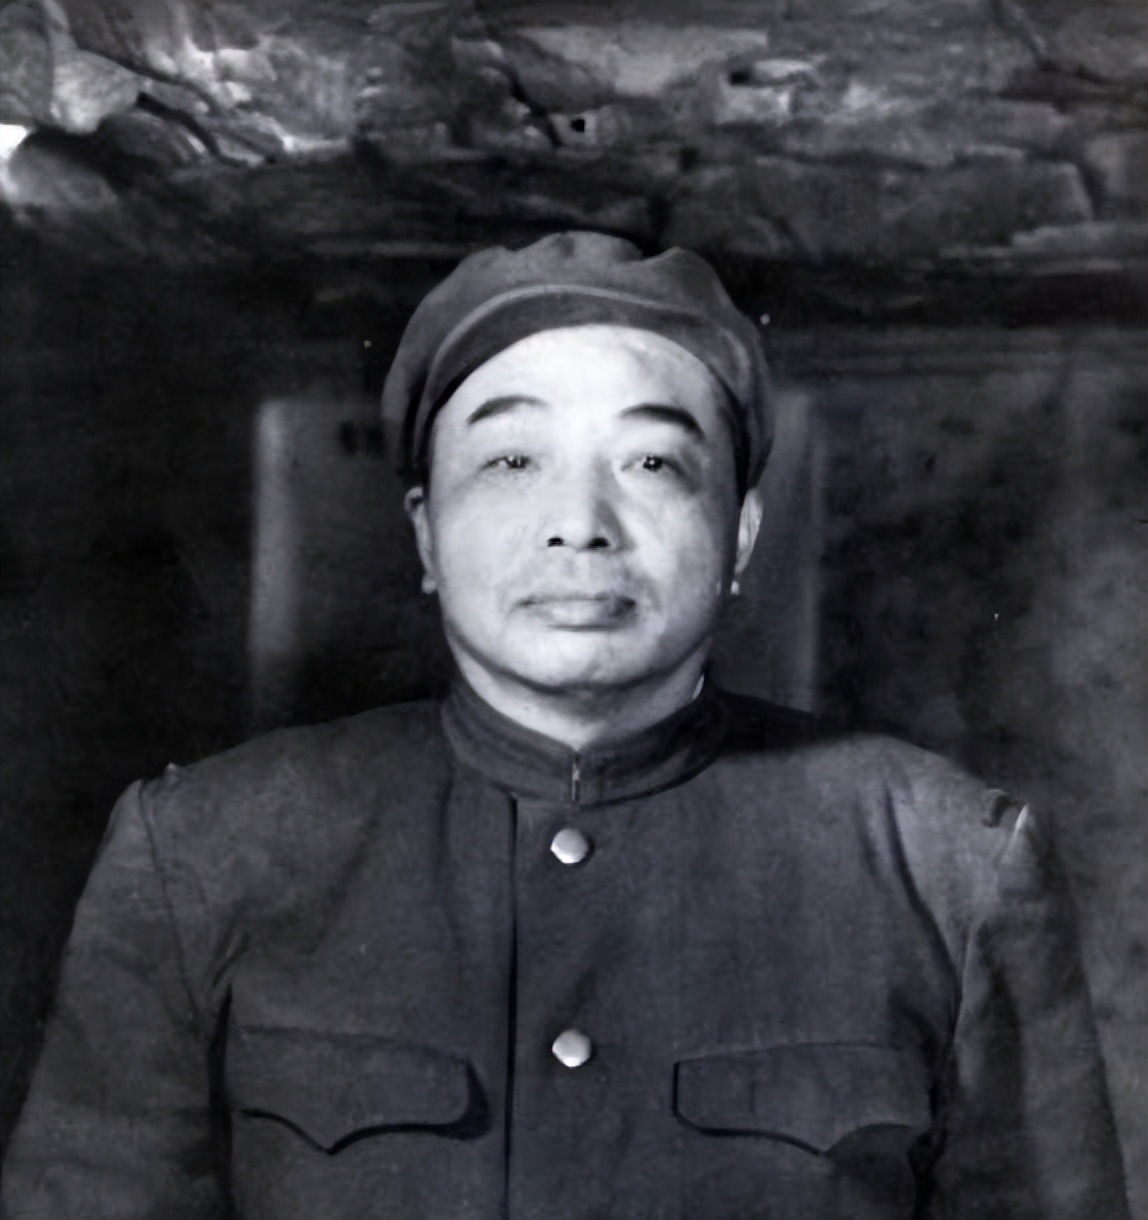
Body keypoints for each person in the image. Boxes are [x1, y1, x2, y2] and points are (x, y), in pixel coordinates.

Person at [3, 232, 1127, 1219]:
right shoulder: (202, 856)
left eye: (651, 461)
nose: (579, 524)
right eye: (510, 460)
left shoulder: (950, 870)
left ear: (738, 535)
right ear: (426, 534)